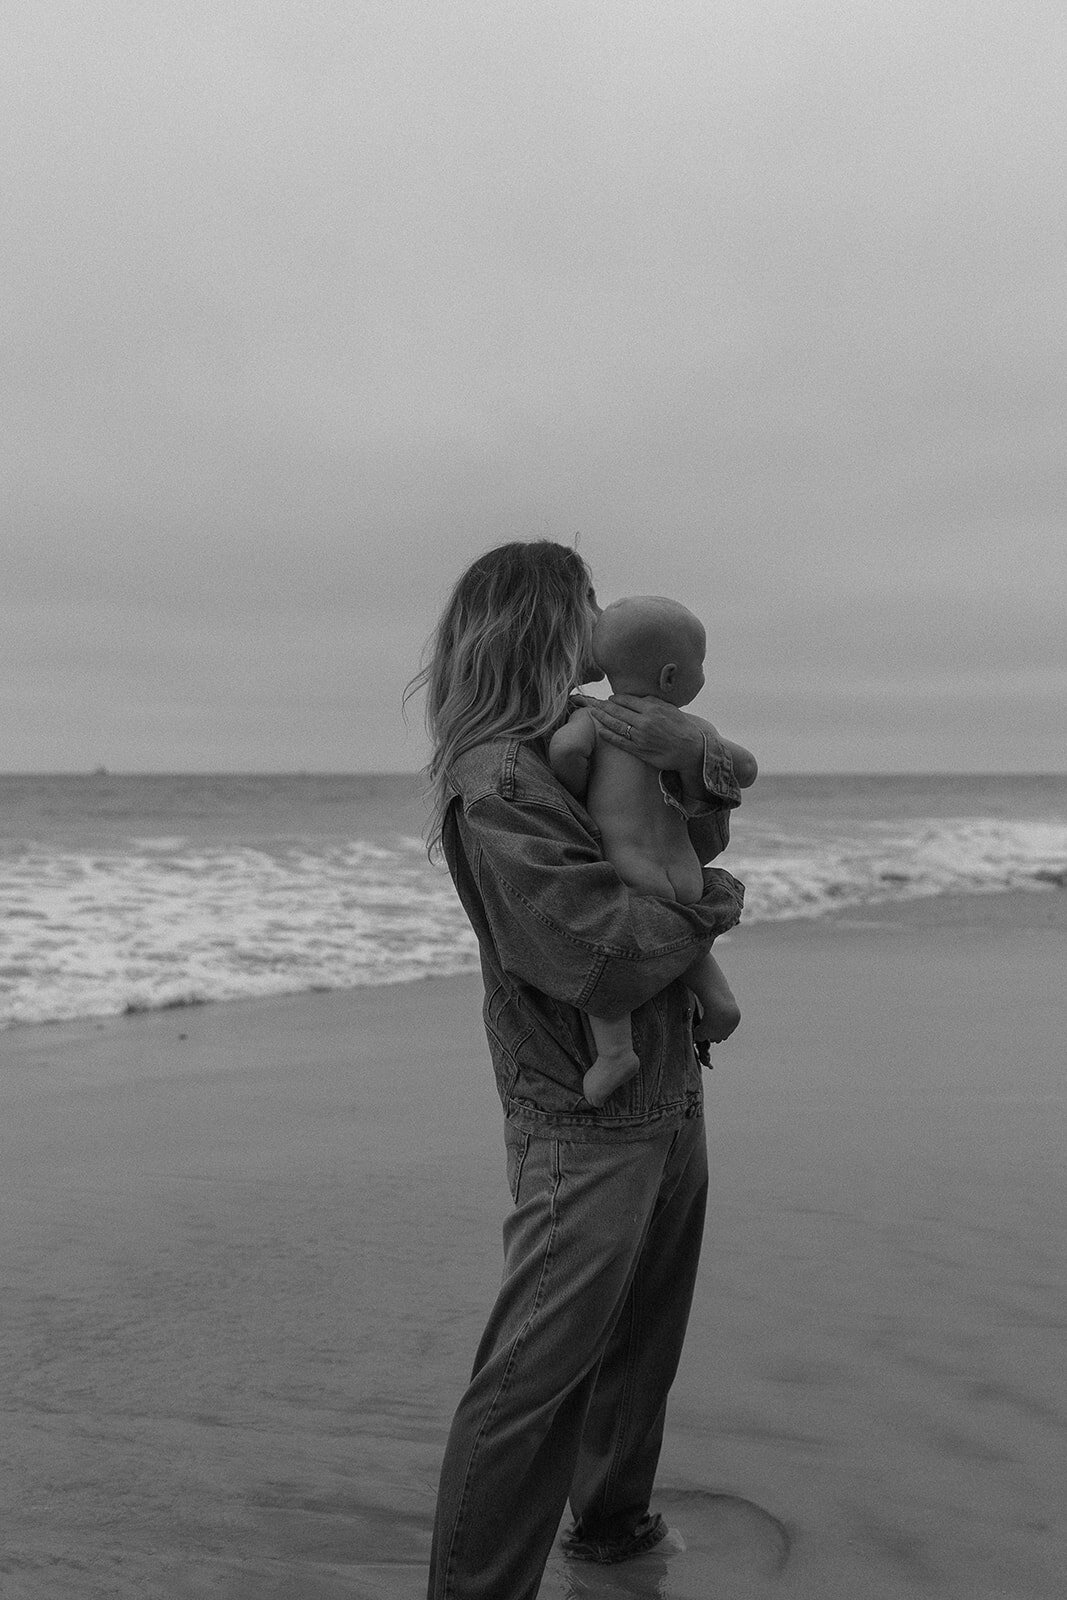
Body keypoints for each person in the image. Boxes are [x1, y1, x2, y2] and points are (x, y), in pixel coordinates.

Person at [406, 540, 755, 1600]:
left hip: (663, 1083)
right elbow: (591, 950)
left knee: (639, 1338)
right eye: (583, 617)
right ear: (536, 629)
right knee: (531, 1374)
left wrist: (689, 760)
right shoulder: (500, 779)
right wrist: (714, 905)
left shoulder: (584, 740)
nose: (598, 639)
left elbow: (693, 818)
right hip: (581, 1112)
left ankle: (608, 1528)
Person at [549, 595, 745, 1107]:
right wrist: (700, 753)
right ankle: (720, 1005)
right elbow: (743, 769)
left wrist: (578, 789)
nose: (704, 675)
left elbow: (566, 751)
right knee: (685, 943)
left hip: (631, 868)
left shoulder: (594, 719)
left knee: (607, 958)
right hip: (686, 874)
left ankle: (615, 1051)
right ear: (670, 676)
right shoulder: (691, 730)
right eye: (701, 664)